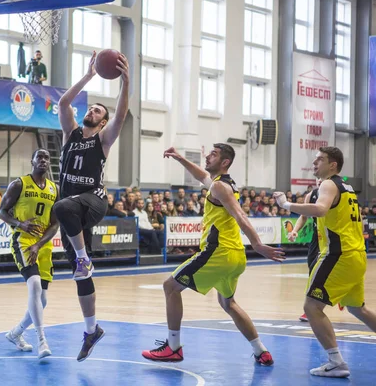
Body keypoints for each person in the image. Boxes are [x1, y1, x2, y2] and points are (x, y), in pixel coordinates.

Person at [142, 144, 284, 366]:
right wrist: (180, 158)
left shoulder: (220, 187)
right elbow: (202, 176)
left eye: (214, 154)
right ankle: (261, 350)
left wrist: (258, 244)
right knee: (229, 304)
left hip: (218, 252)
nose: (208, 156)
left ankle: (173, 348)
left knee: (170, 287)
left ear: (225, 162)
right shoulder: (223, 184)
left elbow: (240, 216)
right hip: (234, 256)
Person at [275, 146, 376, 378]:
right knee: (357, 308)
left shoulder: (328, 184)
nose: (314, 163)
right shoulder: (348, 188)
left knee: (311, 307)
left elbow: (320, 210)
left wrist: (286, 205)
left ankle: (336, 362)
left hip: (338, 255)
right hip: (356, 254)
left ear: (333, 165)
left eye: (319, 160)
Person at [54, 51, 129, 361]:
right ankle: (91, 330)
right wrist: (88, 76)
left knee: (62, 207)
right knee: (81, 277)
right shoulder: (70, 134)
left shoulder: (103, 140)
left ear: (103, 123)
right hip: (73, 209)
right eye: (92, 108)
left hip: (94, 201)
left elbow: (122, 114)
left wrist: (126, 82)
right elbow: (63, 104)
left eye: (99, 111)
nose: (94, 111)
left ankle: (83, 257)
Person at [0, 149, 59, 359]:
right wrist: (20, 224)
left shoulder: (54, 189)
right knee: (33, 285)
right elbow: (1, 211)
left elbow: (54, 224)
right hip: (23, 240)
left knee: (42, 301)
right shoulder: (19, 184)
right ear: (31, 161)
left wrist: (40, 244)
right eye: (39, 157)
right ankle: (42, 339)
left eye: (46, 158)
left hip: (42, 245)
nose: (43, 160)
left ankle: (16, 333)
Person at [287, 179, 321, 322]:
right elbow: (303, 216)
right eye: (317, 179)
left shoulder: (337, 193)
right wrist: (294, 230)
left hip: (334, 238)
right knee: (312, 271)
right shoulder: (310, 196)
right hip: (317, 237)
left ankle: (312, 310)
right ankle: (311, 309)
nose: (319, 180)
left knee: (322, 273)